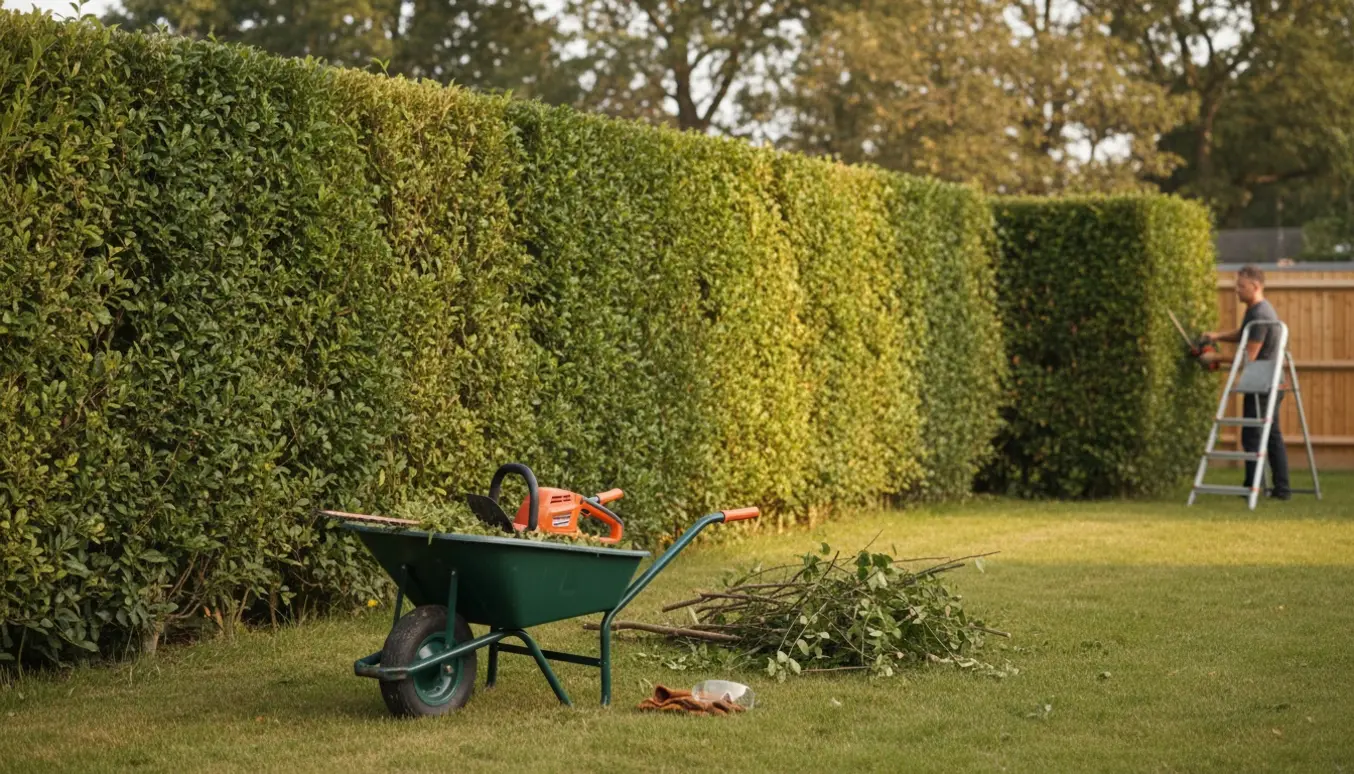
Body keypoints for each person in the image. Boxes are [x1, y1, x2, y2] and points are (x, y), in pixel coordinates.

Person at [1202, 265, 1291, 500]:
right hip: (1268, 381)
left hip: (1263, 384)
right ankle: (1281, 490)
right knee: (1270, 435)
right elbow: (1244, 334)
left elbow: (1247, 358)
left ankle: (1251, 487)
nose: (1236, 291)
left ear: (1255, 286)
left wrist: (1217, 358)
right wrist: (1218, 336)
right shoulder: (1255, 310)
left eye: (1241, 287)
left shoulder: (1261, 315)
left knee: (1252, 436)